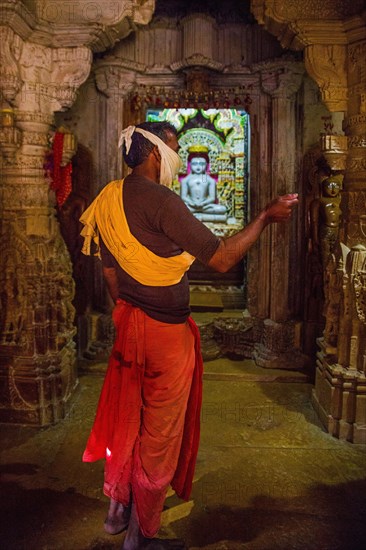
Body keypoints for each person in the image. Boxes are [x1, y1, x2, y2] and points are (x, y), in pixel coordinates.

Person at [79, 121, 298, 550]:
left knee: (129, 419)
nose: (179, 161)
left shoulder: (109, 198)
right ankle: (142, 534)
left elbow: (110, 272)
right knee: (159, 432)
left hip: (130, 324)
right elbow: (220, 259)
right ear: (157, 153)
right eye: (176, 150)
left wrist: (129, 309)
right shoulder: (161, 200)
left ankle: (117, 512)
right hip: (163, 334)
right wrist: (265, 217)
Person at [180, 147, 227, 222]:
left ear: (206, 165)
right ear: (190, 165)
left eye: (201, 164)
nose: (198, 167)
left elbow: (212, 198)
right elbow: (183, 197)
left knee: (222, 209)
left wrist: (203, 203)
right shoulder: (186, 180)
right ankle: (202, 217)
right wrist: (192, 203)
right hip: (190, 206)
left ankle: (195, 217)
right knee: (178, 209)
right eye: (195, 164)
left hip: (205, 206)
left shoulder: (207, 179)